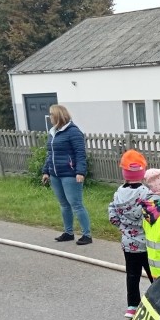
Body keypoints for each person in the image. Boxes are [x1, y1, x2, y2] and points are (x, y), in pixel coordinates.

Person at [108, 149, 153, 319]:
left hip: (128, 243)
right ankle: (159, 302)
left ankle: (132, 306)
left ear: (123, 172)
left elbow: (112, 214)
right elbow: (150, 215)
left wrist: (122, 226)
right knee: (153, 274)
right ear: (142, 172)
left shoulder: (118, 193)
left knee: (132, 275)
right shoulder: (146, 193)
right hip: (146, 243)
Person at [41, 104, 91, 245]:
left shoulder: (73, 132)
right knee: (63, 204)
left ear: (58, 115)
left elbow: (80, 154)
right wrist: (46, 171)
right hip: (55, 174)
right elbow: (50, 154)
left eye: (51, 114)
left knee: (76, 204)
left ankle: (87, 234)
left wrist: (80, 172)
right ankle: (68, 232)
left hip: (70, 174)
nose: (49, 117)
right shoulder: (53, 132)